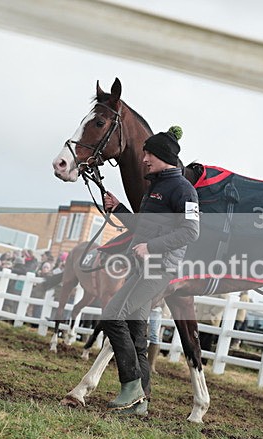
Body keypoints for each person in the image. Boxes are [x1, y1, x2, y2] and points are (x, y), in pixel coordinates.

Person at [100, 125, 199, 416]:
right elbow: (143, 228)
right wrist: (119, 208)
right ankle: (140, 402)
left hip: (158, 268)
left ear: (163, 157)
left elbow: (191, 231)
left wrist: (152, 247)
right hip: (143, 266)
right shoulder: (154, 187)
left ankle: (131, 388)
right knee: (135, 331)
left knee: (112, 316)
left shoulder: (184, 190)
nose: (143, 160)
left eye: (149, 155)